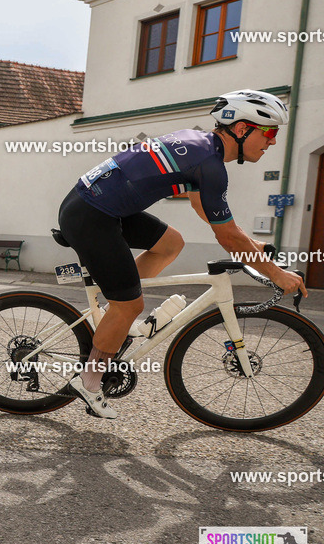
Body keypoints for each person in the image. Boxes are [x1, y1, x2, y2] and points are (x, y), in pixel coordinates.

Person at [57, 89, 307, 418]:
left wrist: (252, 247)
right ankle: (89, 382)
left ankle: (112, 315)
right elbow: (227, 235)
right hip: (92, 215)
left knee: (171, 243)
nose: (272, 142)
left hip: (97, 207)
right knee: (131, 304)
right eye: (270, 132)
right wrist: (276, 274)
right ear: (243, 130)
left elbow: (205, 208)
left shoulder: (200, 146)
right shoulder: (209, 163)